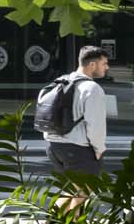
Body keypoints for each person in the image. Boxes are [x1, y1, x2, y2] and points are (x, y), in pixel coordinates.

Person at [42, 44, 116, 179]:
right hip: (78, 149)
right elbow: (95, 124)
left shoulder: (61, 81)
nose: (107, 67)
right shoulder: (92, 88)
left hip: (54, 147)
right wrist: (99, 149)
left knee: (71, 193)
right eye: (104, 63)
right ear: (92, 65)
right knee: (83, 192)